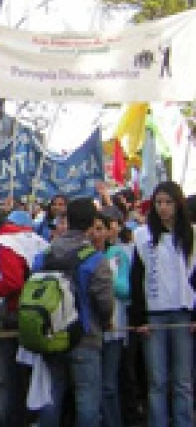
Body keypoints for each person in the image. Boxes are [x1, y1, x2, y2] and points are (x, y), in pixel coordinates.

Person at [35, 198, 114, 427]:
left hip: (51, 334)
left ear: (67, 220)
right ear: (91, 224)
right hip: (85, 336)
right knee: (87, 400)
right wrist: (106, 320)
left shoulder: (46, 254)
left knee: (51, 397)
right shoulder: (95, 259)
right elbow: (104, 301)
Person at [0, 200, 48, 427]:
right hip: (39, 314)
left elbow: (12, 282)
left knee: (8, 380)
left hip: (17, 317)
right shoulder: (24, 235)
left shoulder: (4, 243)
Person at [130, 181, 195, 427]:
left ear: (178, 204)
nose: (163, 208)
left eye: (168, 202)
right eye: (159, 203)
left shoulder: (191, 235)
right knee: (157, 380)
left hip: (183, 313)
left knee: (183, 380)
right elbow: (137, 279)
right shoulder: (142, 236)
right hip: (154, 315)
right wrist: (140, 320)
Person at [90, 210, 131, 427]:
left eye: (100, 229)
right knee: (91, 387)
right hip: (90, 331)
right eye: (93, 229)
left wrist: (103, 276)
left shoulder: (117, 255)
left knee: (108, 386)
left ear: (108, 232)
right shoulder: (83, 256)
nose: (96, 234)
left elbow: (125, 290)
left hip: (115, 329)